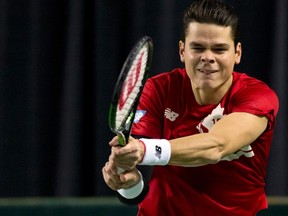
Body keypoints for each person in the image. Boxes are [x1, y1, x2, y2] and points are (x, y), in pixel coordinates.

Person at [102, 0, 279, 215]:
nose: (207, 57)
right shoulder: (159, 89)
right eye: (197, 48)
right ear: (182, 51)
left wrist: (143, 150)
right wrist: (126, 180)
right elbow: (135, 189)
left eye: (219, 49)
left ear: (237, 53)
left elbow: (216, 146)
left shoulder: (256, 96)